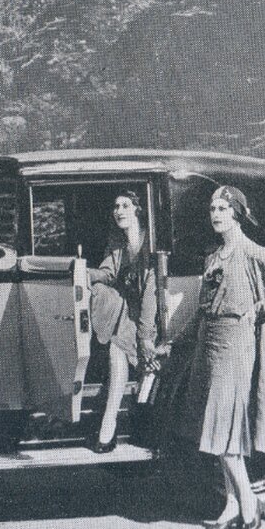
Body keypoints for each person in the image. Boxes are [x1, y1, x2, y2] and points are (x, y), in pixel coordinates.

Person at [182, 185, 265, 529]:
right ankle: (231, 504)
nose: (216, 214)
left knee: (224, 432)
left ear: (237, 213)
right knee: (219, 433)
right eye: (212, 209)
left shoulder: (253, 251)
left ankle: (250, 505)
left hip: (236, 345)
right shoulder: (213, 257)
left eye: (223, 209)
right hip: (209, 344)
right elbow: (203, 307)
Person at [86, 191, 157, 453]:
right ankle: (110, 422)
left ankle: (109, 424)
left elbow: (151, 291)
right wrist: (83, 272)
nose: (119, 211)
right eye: (116, 206)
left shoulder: (150, 240)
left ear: (138, 210)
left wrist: (145, 334)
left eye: (125, 205)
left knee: (117, 349)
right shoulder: (117, 241)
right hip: (127, 308)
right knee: (115, 347)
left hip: (150, 312)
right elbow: (108, 273)